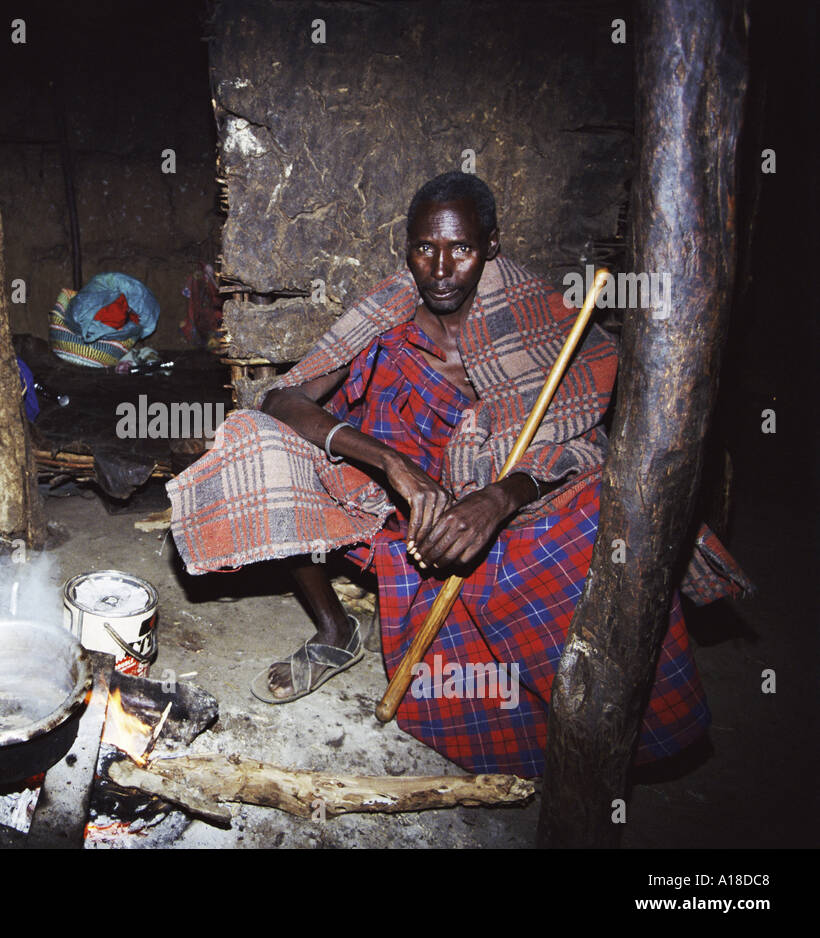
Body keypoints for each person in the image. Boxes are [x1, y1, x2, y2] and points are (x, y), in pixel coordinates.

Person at [167, 172, 749, 776]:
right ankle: (337, 630)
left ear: (491, 246)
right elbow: (283, 399)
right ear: (408, 247)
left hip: (508, 503)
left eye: (461, 249)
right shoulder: (387, 313)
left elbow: (588, 441)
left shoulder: (542, 316)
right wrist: (393, 464)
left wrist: (500, 497)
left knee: (592, 517)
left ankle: (604, 717)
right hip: (396, 501)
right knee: (259, 443)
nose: (441, 269)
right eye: (425, 249)